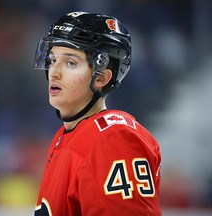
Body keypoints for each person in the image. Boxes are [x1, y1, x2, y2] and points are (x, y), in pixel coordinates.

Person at [34, 11, 162, 215]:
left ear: (101, 77)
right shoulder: (64, 137)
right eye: (52, 60)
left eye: (70, 63)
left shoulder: (113, 140)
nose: (54, 72)